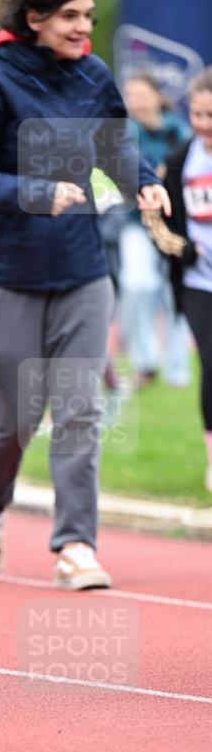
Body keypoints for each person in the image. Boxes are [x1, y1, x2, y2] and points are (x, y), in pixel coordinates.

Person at [0, 0, 169, 590]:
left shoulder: (94, 75)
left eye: (89, 16)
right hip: (4, 275)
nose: (83, 28)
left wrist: (144, 182)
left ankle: (75, 543)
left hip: (81, 270)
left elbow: (116, 149)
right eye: (70, 16)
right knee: (15, 416)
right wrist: (35, 194)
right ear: (34, 17)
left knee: (79, 408)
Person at [143, 67, 212, 492]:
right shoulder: (180, 158)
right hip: (199, 283)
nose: (205, 124)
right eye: (199, 115)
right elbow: (153, 216)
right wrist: (182, 248)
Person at [120, 73, 192, 388]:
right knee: (136, 285)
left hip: (177, 226)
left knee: (176, 291)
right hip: (136, 223)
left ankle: (178, 368)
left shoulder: (180, 131)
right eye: (130, 94)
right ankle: (146, 361)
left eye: (141, 93)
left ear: (156, 96)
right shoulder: (122, 132)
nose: (136, 100)